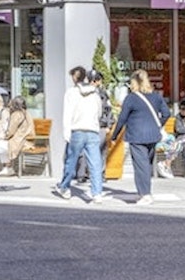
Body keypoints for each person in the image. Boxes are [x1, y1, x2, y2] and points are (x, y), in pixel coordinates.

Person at [111, 69, 170, 205]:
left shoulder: (131, 98)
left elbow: (122, 119)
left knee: (140, 166)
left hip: (136, 136)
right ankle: (146, 192)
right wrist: (158, 125)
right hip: (153, 136)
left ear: (133, 83)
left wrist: (115, 135)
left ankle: (145, 194)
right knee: (146, 165)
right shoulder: (156, 97)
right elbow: (166, 113)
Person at [53, 66, 105, 204]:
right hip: (92, 130)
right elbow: (99, 112)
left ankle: (65, 187)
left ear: (74, 78)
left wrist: (66, 133)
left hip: (77, 130)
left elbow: (67, 114)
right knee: (95, 163)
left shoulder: (71, 93)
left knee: (71, 160)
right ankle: (97, 193)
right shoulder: (95, 93)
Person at [76, 69, 113, 181]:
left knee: (100, 149)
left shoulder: (102, 93)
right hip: (90, 125)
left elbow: (108, 110)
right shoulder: (83, 92)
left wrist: (108, 125)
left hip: (99, 125)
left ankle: (98, 174)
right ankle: (83, 174)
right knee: (88, 149)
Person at [0, 95, 35, 176]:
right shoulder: (27, 113)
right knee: (2, 144)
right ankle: (8, 167)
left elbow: (11, 131)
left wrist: (4, 137)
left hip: (19, 142)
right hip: (27, 141)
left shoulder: (16, 114)